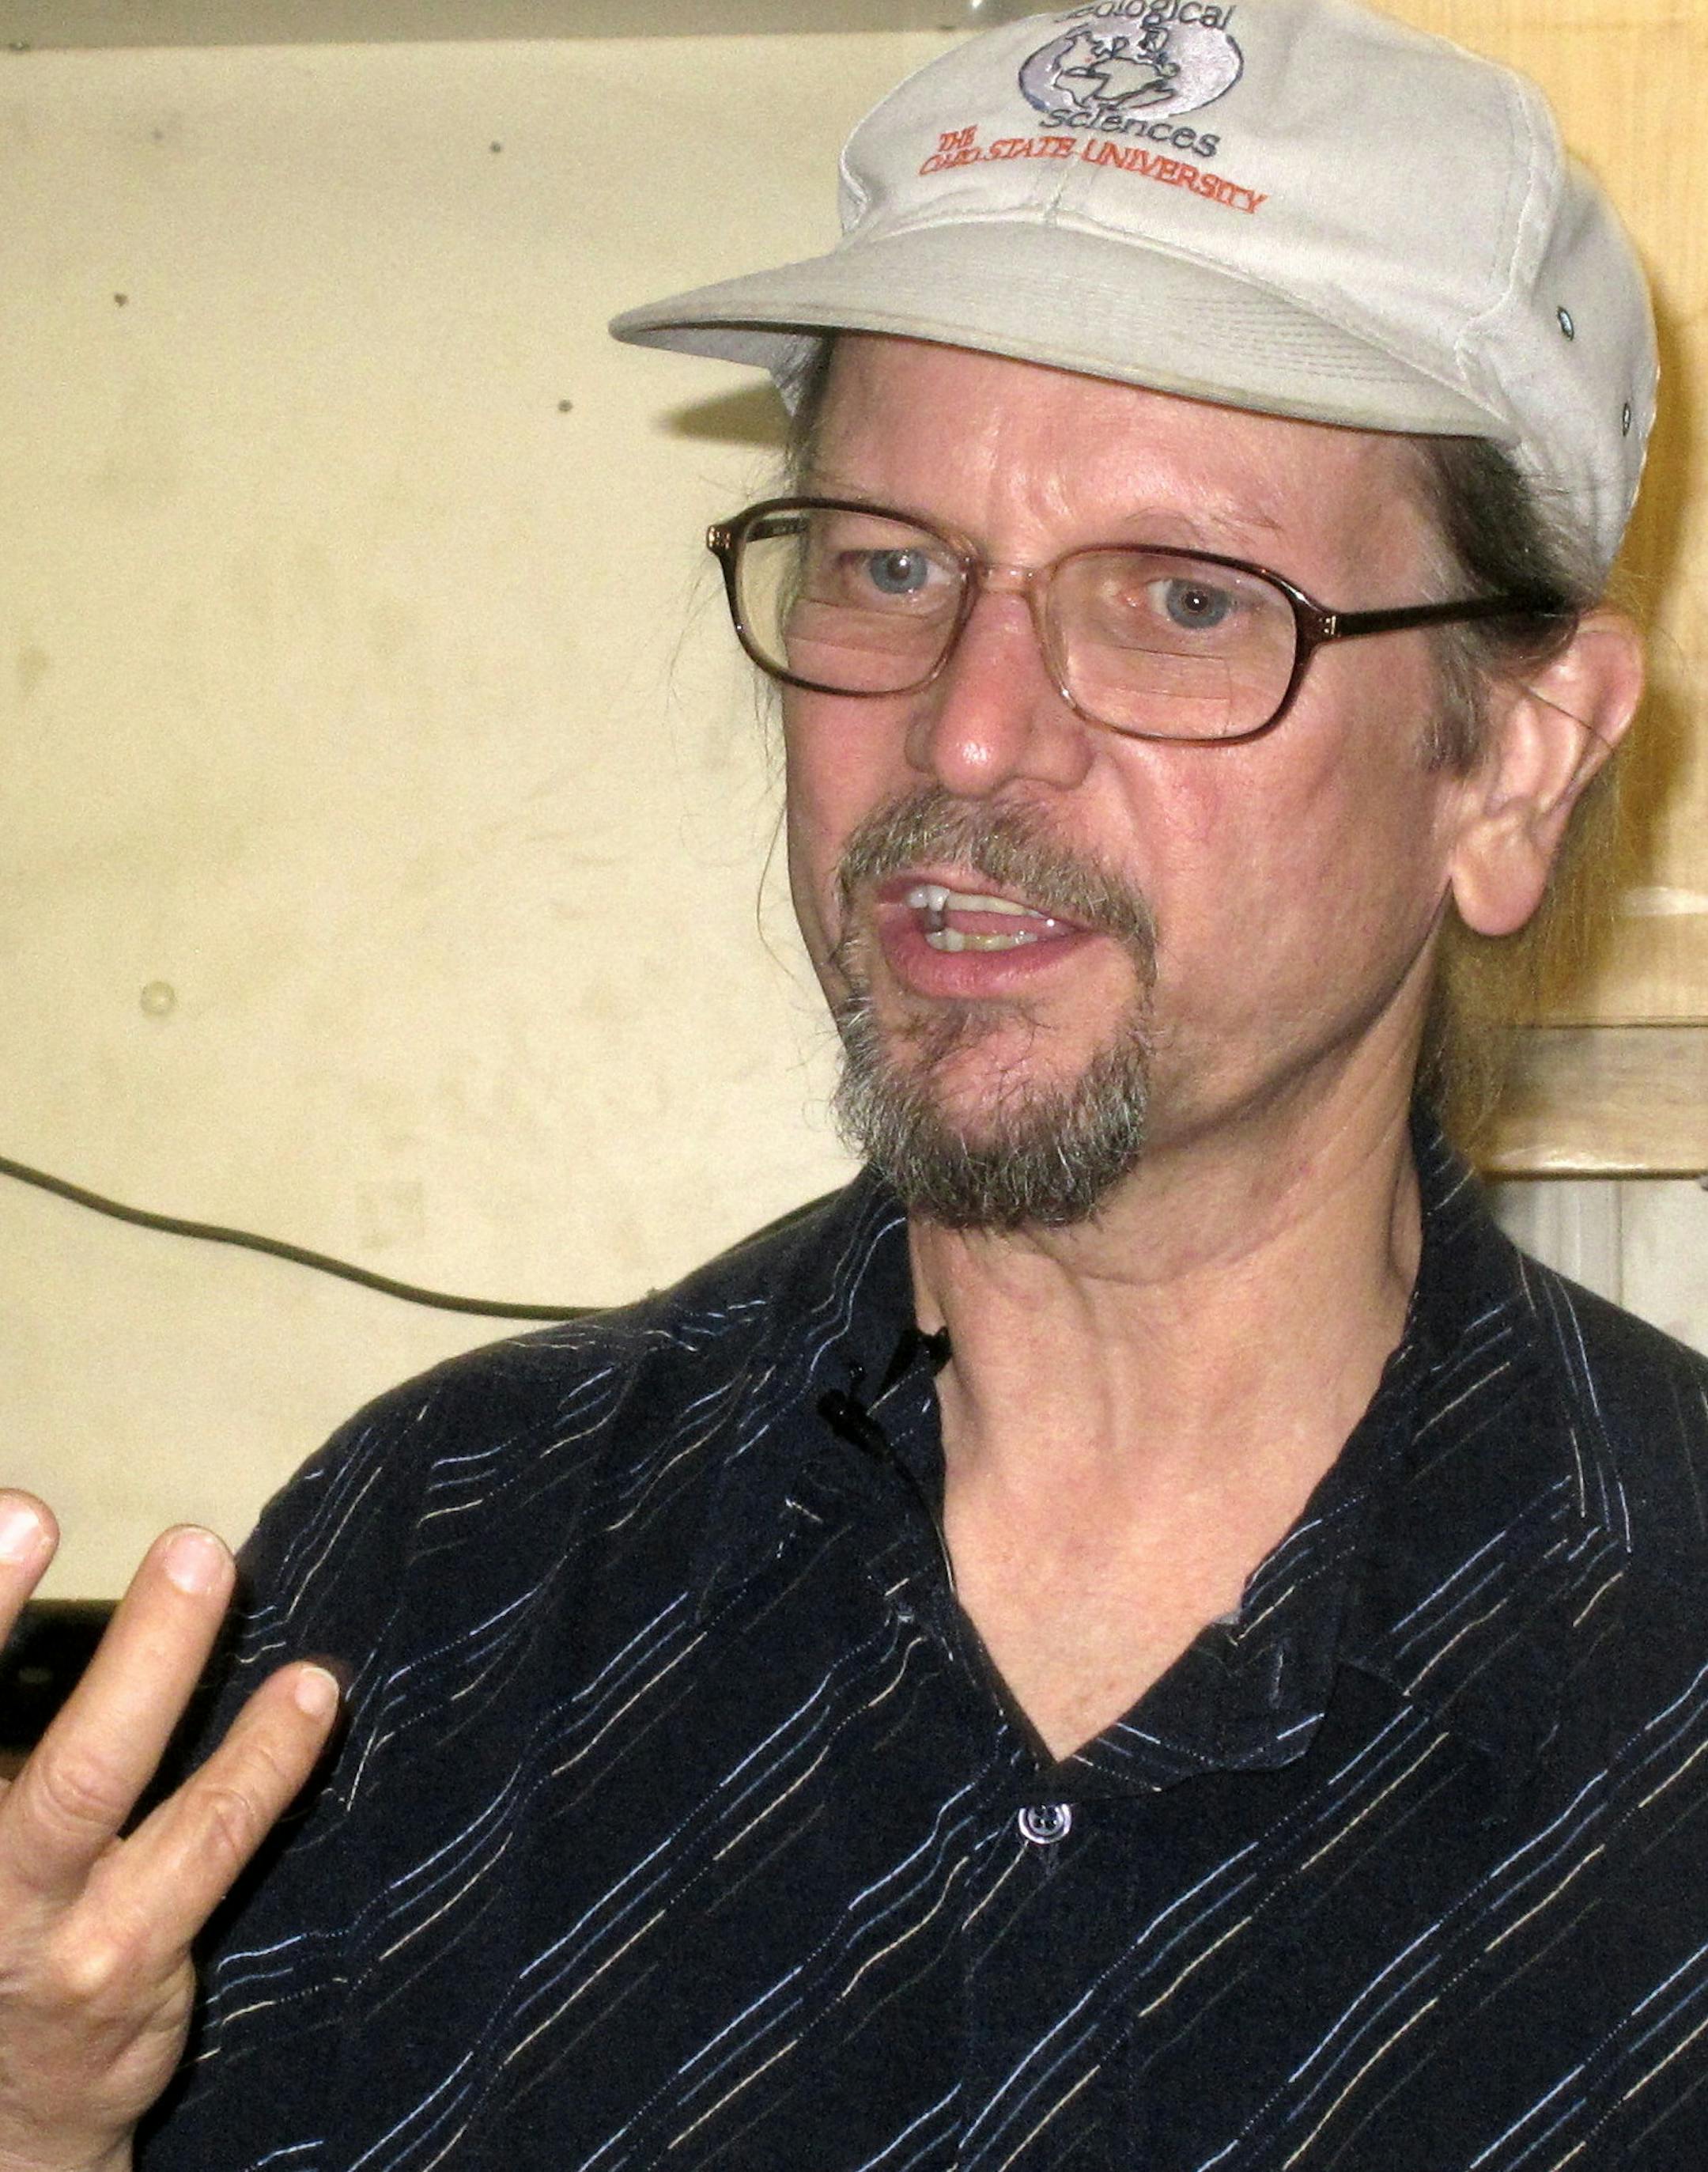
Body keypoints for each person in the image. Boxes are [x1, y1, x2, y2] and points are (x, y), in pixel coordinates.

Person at [2, 1, 1702, 2164]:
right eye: (893, 566)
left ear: (1519, 760)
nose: (971, 735)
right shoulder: (427, 1583)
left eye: (1183, 597)